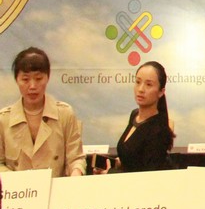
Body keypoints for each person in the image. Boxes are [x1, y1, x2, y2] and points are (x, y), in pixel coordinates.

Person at [1, 47, 84, 178]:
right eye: (25, 79)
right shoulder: (3, 119)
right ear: (16, 80)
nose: (32, 86)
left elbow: (76, 158)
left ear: (47, 78)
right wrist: (19, 181)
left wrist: (76, 173)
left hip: (56, 188)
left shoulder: (65, 114)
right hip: (18, 189)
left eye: (39, 79)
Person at [97, 61, 174, 173]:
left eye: (148, 84)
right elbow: (134, 158)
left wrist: (110, 173)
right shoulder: (134, 115)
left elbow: (148, 176)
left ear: (161, 92)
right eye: (138, 82)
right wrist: (117, 164)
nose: (141, 89)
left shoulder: (158, 131)